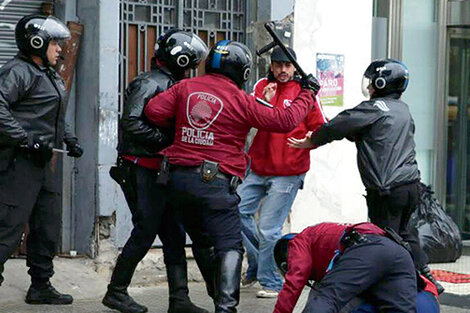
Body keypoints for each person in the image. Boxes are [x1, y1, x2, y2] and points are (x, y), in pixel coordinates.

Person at [144, 40, 319, 312]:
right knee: (229, 245)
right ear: (243, 70)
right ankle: (225, 308)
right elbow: (284, 121)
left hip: (176, 181)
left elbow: (153, 111)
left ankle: (196, 298)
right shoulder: (241, 99)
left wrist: (187, 131)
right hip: (214, 181)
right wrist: (307, 93)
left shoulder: (185, 87)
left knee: (201, 241)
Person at [287, 59, 444, 294]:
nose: (369, 87)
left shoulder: (374, 108)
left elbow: (340, 125)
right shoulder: (402, 109)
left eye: (372, 82)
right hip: (410, 186)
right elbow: (366, 133)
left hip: (387, 190)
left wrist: (313, 140)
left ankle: (405, 289)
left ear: (382, 83)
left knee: (386, 244)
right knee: (407, 235)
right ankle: (427, 277)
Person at [103, 29, 211, 313]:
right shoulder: (149, 83)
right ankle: (116, 292)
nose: (191, 68)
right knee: (145, 230)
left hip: (161, 171)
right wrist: (166, 142)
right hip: (141, 169)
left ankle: (179, 299)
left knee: (174, 233)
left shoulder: (171, 82)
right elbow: (132, 123)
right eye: (189, 61)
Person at [0, 15, 83, 304]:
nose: (60, 48)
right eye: (54, 43)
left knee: (47, 225)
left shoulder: (48, 74)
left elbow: (56, 114)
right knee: (7, 228)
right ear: (36, 42)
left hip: (43, 163)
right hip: (18, 163)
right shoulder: (17, 72)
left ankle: (40, 285)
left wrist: (69, 139)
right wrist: (24, 138)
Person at [238, 46, 327, 298]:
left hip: (289, 170)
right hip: (257, 166)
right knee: (235, 210)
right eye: (278, 65)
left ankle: (273, 282)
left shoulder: (305, 92)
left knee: (269, 229)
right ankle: (258, 264)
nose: (283, 70)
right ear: (271, 65)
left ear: (294, 67)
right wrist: (263, 103)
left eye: (288, 65)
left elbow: (320, 127)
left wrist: (312, 140)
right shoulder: (262, 86)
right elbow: (248, 118)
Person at [272, 222, 419, 313]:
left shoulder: (298, 242)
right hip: (398, 252)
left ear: (285, 266)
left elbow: (295, 281)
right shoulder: (326, 240)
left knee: (326, 299)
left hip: (367, 248)